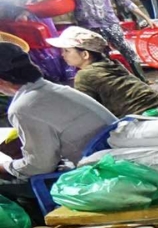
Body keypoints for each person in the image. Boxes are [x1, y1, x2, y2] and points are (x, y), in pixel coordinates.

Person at [0, 42, 116, 184]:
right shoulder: (54, 89)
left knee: (8, 185)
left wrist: (5, 167)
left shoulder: (23, 108)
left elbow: (39, 167)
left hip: (101, 172)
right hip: (112, 153)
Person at [54, 0, 151, 79]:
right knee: (101, 55)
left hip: (109, 21)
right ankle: (116, 79)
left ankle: (141, 78)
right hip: (89, 25)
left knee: (126, 49)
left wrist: (146, 18)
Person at [47, 27, 158, 118]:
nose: (63, 55)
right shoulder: (113, 64)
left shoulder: (85, 75)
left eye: (67, 51)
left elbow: (88, 112)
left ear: (85, 54)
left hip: (140, 118)